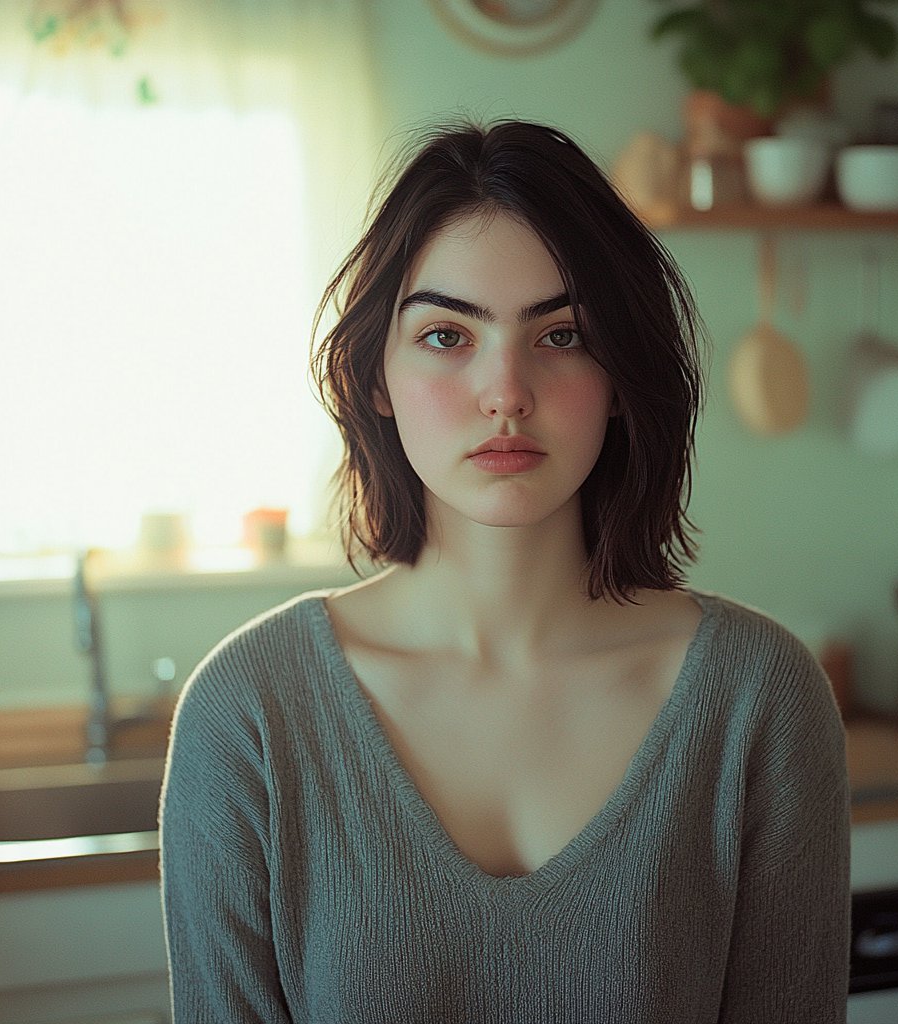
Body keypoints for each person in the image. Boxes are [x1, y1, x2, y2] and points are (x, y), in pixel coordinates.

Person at [160, 119, 850, 1023]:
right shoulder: (247, 713)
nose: (506, 391)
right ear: (375, 376)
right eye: (448, 335)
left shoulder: (762, 701)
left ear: (620, 377)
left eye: (561, 335)